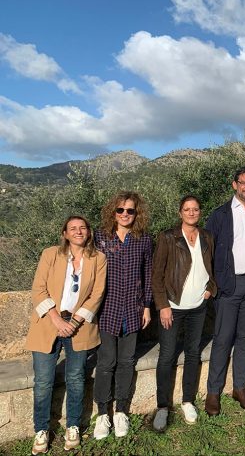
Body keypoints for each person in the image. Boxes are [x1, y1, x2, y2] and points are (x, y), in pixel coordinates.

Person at [27, 216, 106, 455]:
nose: (78, 231)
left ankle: (73, 426)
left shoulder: (98, 259)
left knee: (76, 379)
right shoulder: (50, 254)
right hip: (48, 324)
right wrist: (57, 319)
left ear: (89, 232)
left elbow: (97, 293)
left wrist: (74, 321)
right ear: (65, 233)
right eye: (73, 228)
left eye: (82, 227)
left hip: (79, 327)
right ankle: (41, 430)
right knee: (42, 382)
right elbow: (38, 288)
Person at [204, 166, 245, 413]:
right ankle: (213, 392)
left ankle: (239, 387)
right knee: (222, 339)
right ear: (235, 185)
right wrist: (214, 283)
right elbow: (208, 251)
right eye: (243, 183)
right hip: (229, 285)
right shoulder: (220, 215)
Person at [151, 195, 217, 432]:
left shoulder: (207, 237)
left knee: (192, 353)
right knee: (167, 356)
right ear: (180, 212)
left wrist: (210, 289)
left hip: (198, 308)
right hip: (173, 308)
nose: (191, 213)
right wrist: (163, 305)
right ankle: (162, 406)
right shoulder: (168, 237)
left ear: (200, 212)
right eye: (187, 209)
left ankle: (188, 400)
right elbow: (157, 275)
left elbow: (211, 266)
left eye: (195, 209)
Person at [93, 191, 153, 439]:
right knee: (106, 363)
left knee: (127, 362)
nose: (125, 214)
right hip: (107, 310)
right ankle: (102, 415)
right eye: (121, 210)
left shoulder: (144, 240)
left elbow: (148, 274)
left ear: (137, 214)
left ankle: (121, 412)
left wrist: (147, 306)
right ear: (113, 212)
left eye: (130, 210)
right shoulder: (100, 237)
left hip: (133, 309)